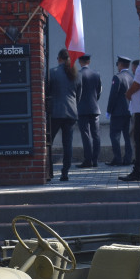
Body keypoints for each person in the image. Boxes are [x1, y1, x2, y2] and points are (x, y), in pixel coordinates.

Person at [46, 48, 81, 181]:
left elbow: (47, 92)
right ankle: (65, 172)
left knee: (49, 142)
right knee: (68, 144)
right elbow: (79, 95)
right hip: (71, 113)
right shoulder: (76, 74)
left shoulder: (52, 73)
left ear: (59, 58)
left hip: (55, 112)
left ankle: (48, 171)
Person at [106, 55, 134, 166]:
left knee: (115, 136)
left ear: (120, 64)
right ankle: (128, 158)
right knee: (127, 136)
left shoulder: (117, 77)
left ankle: (117, 158)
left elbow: (113, 95)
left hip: (117, 112)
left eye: (118, 64)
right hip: (128, 111)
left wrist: (109, 110)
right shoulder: (131, 77)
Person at [75, 54, 102, 167]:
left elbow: (76, 92)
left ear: (80, 62)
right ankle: (95, 160)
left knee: (86, 135)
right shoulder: (96, 74)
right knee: (96, 135)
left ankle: (88, 160)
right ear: (89, 61)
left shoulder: (78, 74)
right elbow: (99, 91)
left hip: (82, 109)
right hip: (94, 108)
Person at [120, 59, 140, 182]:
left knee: (139, 140)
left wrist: (128, 94)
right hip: (139, 109)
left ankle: (139, 171)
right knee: (138, 140)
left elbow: (137, 84)